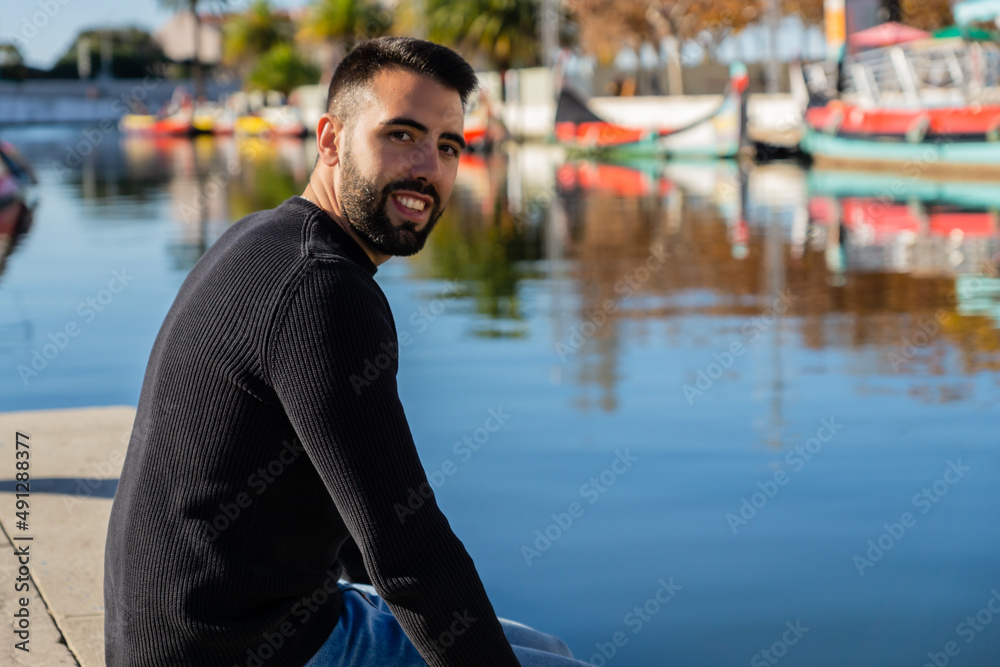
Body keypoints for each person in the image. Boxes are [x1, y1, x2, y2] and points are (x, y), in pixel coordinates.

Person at [104, 37, 590, 667]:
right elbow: (407, 547)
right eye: (401, 135)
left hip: (197, 630)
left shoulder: (266, 238)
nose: (427, 167)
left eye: (448, 147)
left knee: (543, 648)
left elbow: (359, 512)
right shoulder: (322, 289)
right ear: (331, 139)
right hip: (237, 648)